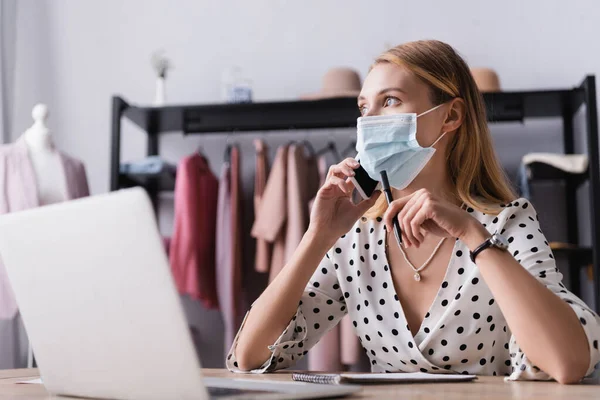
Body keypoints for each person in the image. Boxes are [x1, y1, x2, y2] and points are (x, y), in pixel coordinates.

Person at [226, 40, 600, 384]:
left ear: (451, 116)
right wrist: (316, 237)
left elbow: (566, 362)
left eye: (390, 101)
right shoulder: (355, 237)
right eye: (363, 106)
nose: (369, 119)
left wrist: (473, 236)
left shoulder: (506, 223)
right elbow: (248, 357)